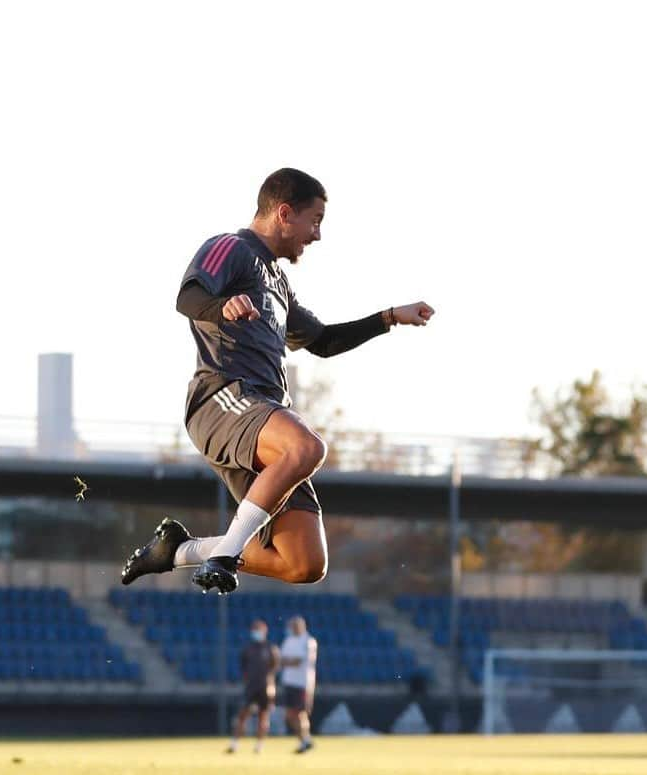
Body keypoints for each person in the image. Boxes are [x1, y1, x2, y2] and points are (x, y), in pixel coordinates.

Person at [120, 168, 435, 594]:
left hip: (265, 418)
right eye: (316, 220)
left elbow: (322, 341)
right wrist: (224, 306)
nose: (317, 235)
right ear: (285, 213)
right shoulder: (229, 248)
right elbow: (188, 298)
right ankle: (225, 554)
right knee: (307, 446)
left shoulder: (278, 282)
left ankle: (178, 551)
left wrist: (389, 318)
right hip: (223, 399)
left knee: (304, 563)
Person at [227, 619, 280, 754]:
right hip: (251, 687)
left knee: (263, 716)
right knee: (243, 715)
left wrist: (271, 687)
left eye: (259, 629)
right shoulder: (247, 649)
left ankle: (259, 745)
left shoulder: (270, 649)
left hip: (265, 688)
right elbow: (243, 668)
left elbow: (274, 669)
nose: (256, 632)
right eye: (255, 629)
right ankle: (234, 744)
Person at [281, 615, 317, 753]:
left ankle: (305, 741)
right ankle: (305, 740)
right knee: (291, 715)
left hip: (302, 683)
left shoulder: (308, 641)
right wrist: (289, 661)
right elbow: (281, 660)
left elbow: (298, 661)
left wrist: (287, 661)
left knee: (299, 713)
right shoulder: (288, 640)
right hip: (289, 682)